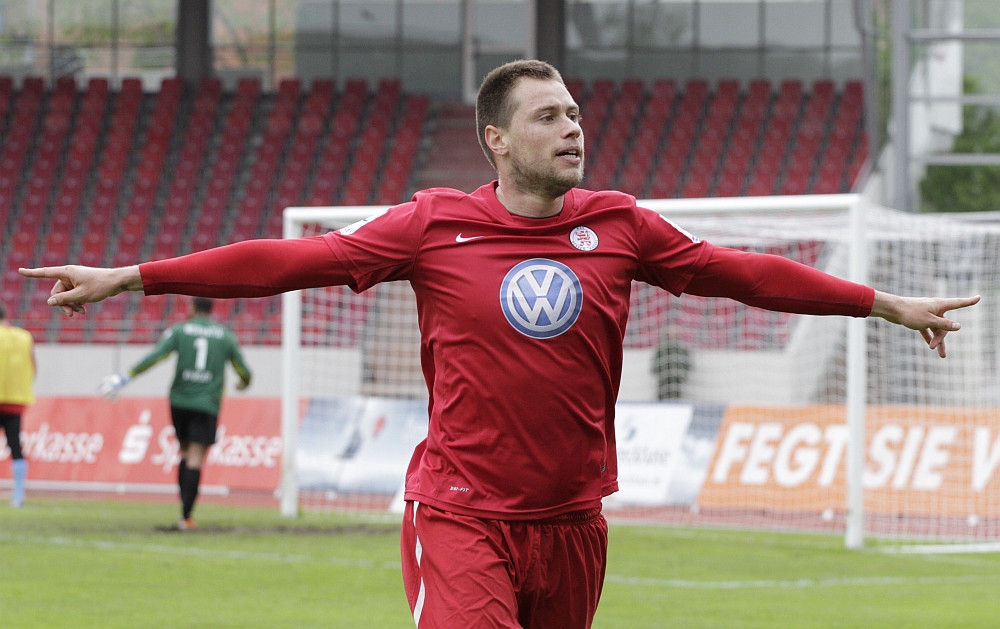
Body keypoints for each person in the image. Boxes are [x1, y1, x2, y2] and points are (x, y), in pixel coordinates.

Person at [20, 60, 979, 627]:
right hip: (460, 514)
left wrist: (882, 304)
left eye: (575, 113)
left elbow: (745, 274)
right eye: (548, 117)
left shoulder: (621, 224)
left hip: (574, 523)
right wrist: (135, 275)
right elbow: (288, 260)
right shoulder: (430, 224)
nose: (573, 128)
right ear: (497, 140)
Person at [97, 297, 252, 530]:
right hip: (206, 404)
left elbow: (157, 355)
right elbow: (245, 371)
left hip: (179, 401)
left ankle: (183, 510)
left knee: (185, 453)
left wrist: (126, 376)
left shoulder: (179, 331)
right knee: (195, 459)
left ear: (193, 308)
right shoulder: (225, 336)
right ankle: (186, 516)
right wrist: (243, 384)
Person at [0, 303, 35, 508]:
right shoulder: (24, 337)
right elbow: (33, 366)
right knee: (15, 447)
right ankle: (18, 494)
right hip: (16, 400)